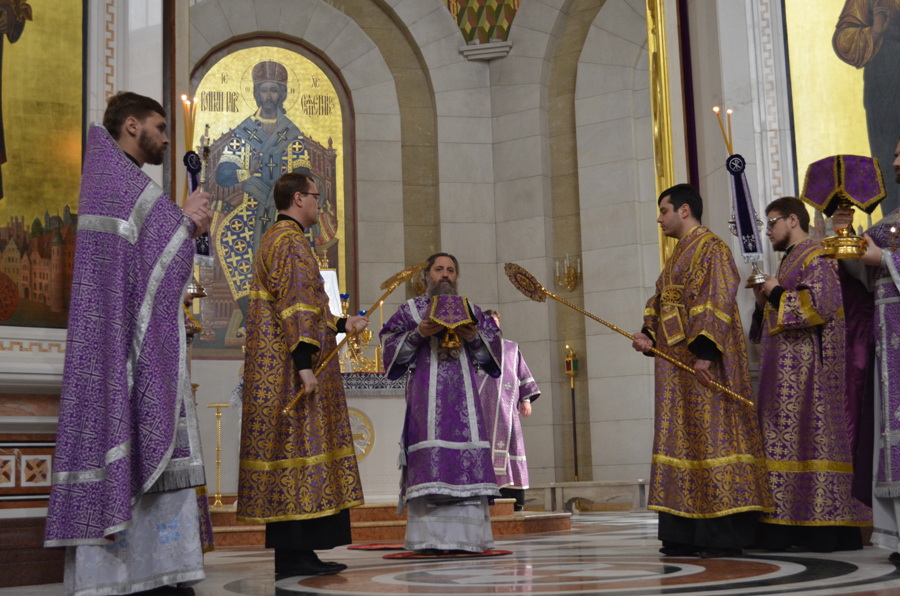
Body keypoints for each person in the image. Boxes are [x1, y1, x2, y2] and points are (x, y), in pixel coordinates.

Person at [44, 91, 213, 595]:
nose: (166, 138)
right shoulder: (119, 182)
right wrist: (187, 223)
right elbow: (159, 252)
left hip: (129, 340)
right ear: (132, 125)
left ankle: (159, 570)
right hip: (120, 349)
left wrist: (181, 226)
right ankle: (129, 576)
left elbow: (143, 265)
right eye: (159, 127)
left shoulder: (117, 178)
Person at [237, 172, 367, 579]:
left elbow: (308, 305)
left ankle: (297, 553)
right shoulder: (291, 242)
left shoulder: (276, 238)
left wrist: (343, 323)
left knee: (290, 458)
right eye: (315, 196)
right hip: (291, 370)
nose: (319, 204)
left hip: (282, 365)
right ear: (298, 198)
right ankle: (296, 554)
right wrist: (305, 365)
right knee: (299, 453)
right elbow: (295, 306)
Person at [631, 183, 772, 558]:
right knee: (682, 440)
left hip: (705, 366)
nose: (659, 218)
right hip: (675, 368)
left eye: (663, 210)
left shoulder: (712, 248)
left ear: (684, 210)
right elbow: (660, 300)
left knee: (713, 436)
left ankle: (721, 532)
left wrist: (706, 353)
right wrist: (648, 335)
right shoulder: (677, 255)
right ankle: (684, 532)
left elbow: (717, 297)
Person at [750, 196, 871, 552]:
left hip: (809, 375)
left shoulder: (816, 255)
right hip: (781, 373)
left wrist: (775, 292)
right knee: (781, 445)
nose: (768, 231)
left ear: (792, 220)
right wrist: (763, 302)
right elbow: (770, 319)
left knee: (811, 442)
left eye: (772, 222)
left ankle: (822, 528)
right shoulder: (790, 260)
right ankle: (783, 525)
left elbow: (820, 305)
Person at [380, 253, 503, 554]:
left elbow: (493, 352)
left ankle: (468, 540)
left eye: (450, 270)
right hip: (426, 404)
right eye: (439, 269)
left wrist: (474, 337)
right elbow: (389, 346)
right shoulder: (412, 310)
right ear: (426, 276)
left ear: (456, 276)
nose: (445, 275)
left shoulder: (471, 310)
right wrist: (419, 333)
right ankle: (430, 540)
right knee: (430, 464)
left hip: (465, 405)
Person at [211, 60, 312, 314]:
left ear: (282, 94)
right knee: (229, 235)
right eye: (264, 90)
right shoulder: (245, 133)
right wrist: (246, 171)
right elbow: (223, 174)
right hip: (250, 207)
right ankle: (250, 314)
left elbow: (304, 174)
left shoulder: (291, 133)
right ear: (257, 93)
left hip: (283, 211)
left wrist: (289, 182)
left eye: (274, 90)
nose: (269, 96)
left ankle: (287, 311)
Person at [847, 138, 900, 559]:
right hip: (887, 344)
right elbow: (864, 275)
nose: (895, 161)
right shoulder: (890, 221)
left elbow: (880, 260)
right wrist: (846, 238)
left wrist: (884, 258)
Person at [477, 309, 540, 512]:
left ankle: (514, 498)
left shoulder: (511, 348)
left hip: (507, 412)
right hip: (481, 412)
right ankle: (485, 496)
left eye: (496, 321)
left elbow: (522, 374)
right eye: (489, 321)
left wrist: (526, 399)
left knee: (512, 448)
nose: (493, 325)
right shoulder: (472, 348)